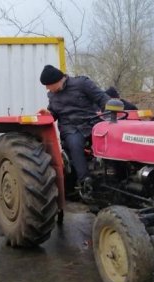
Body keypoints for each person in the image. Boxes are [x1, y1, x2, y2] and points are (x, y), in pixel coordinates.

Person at [38, 64, 110, 192]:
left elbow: (103, 99)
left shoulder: (82, 83)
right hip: (70, 127)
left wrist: (110, 118)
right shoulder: (52, 95)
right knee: (75, 144)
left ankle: (117, 175)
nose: (47, 89)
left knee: (112, 138)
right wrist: (49, 114)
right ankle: (85, 182)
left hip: (91, 122)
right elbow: (54, 113)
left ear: (56, 81)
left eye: (48, 85)